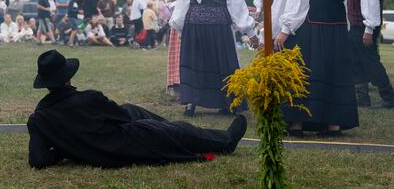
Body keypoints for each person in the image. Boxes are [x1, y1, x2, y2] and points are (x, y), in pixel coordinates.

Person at [27, 50, 247, 169]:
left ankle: (166, 127)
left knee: (132, 109)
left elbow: (38, 160)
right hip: (121, 146)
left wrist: (65, 147)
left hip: (96, 146)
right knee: (174, 130)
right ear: (68, 77)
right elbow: (121, 118)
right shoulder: (89, 99)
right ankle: (225, 141)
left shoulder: (39, 119)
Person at [275, 0, 358, 137]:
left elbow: (298, 3)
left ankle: (296, 124)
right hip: (336, 33)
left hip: (312, 32)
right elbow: (344, 7)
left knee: (303, 74)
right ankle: (333, 125)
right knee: (333, 75)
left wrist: (285, 30)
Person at [170, 0, 258, 116]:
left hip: (194, 28)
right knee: (222, 64)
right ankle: (226, 103)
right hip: (218, 31)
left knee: (196, 63)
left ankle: (191, 103)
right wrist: (250, 33)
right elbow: (237, 8)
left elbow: (181, 8)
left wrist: (182, 30)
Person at [344, 0, 394, 109]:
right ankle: (362, 97)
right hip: (356, 28)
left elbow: (371, 7)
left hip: (363, 28)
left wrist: (368, 30)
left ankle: (388, 98)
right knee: (356, 62)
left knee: (371, 63)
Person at [162, 0, 201, 99]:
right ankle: (176, 85)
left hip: (198, 15)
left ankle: (196, 84)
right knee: (178, 52)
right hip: (181, 16)